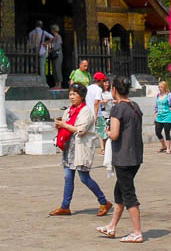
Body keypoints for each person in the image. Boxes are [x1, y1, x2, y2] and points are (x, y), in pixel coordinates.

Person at [49, 83, 112, 217]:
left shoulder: (86, 111)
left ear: (81, 96)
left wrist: (64, 125)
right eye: (70, 94)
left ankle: (103, 201)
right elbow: (66, 127)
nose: (71, 97)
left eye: (74, 94)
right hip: (69, 148)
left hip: (80, 149)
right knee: (68, 177)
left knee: (84, 177)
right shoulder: (69, 111)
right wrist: (60, 126)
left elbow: (81, 130)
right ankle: (65, 206)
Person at [98, 76, 145, 243]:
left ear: (114, 90)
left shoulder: (118, 109)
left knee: (128, 194)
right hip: (135, 156)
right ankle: (112, 226)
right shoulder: (135, 105)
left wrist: (108, 132)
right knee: (120, 192)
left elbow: (115, 134)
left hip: (124, 157)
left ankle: (137, 232)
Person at [87, 72, 110, 154]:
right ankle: (106, 149)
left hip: (87, 114)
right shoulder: (98, 89)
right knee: (104, 132)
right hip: (97, 114)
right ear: (100, 80)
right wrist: (96, 115)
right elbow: (96, 103)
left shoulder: (88, 88)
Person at [154, 80, 171, 154]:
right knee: (157, 132)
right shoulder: (158, 95)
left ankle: (168, 148)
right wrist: (155, 114)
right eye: (159, 87)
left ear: (165, 87)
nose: (160, 88)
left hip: (168, 116)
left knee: (167, 132)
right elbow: (156, 106)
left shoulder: (169, 95)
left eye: (161, 87)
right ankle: (163, 146)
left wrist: (170, 109)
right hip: (159, 116)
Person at [49, 24, 64, 89]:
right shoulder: (54, 37)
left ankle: (59, 84)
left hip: (58, 55)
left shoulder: (58, 37)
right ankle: (56, 84)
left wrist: (51, 49)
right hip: (54, 55)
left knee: (58, 69)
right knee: (54, 70)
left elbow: (57, 47)